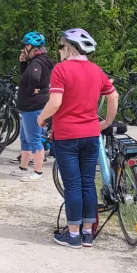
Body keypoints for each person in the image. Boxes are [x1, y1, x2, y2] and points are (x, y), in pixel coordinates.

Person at [37, 29, 117, 248]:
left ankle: (73, 235)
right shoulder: (96, 70)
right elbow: (113, 96)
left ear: (69, 47)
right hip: (91, 135)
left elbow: (54, 103)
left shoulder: (61, 70)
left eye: (61, 47)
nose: (60, 51)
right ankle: (88, 234)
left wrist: (41, 118)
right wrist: (107, 122)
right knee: (87, 184)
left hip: (67, 136)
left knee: (72, 185)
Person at [13, 32, 52, 181]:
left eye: (26, 46)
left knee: (34, 138)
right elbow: (26, 77)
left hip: (33, 107)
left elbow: (34, 78)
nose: (24, 49)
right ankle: (23, 167)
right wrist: (23, 62)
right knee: (25, 137)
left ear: (33, 47)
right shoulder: (39, 61)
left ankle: (37, 172)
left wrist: (29, 91)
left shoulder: (37, 63)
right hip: (29, 107)